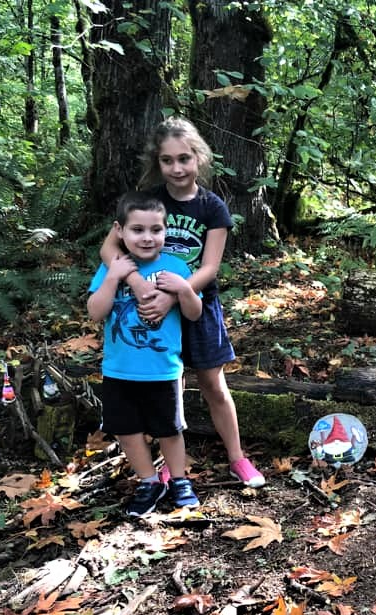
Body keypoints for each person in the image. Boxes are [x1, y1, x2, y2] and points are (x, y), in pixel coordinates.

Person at [100, 117, 265, 487]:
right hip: (148, 310)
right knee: (159, 385)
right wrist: (137, 285)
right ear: (157, 163)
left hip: (195, 303)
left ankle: (237, 457)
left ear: (199, 158)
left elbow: (209, 267)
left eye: (184, 158)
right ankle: (167, 465)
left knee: (211, 382)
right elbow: (109, 246)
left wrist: (175, 295)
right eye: (167, 160)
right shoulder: (148, 201)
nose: (177, 168)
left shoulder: (212, 207)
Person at [88, 192, 203, 516]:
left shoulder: (176, 266)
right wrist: (113, 277)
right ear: (120, 231)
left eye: (156, 230)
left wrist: (183, 289)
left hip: (162, 370)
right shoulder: (113, 267)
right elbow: (95, 312)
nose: (148, 237)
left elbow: (194, 313)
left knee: (169, 429)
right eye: (138, 229)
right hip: (119, 369)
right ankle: (149, 481)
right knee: (127, 430)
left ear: (166, 231)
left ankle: (178, 479)